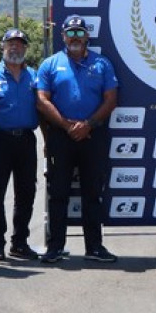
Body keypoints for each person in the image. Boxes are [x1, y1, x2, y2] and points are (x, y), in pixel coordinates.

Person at [36, 15, 120, 265]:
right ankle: (55, 247)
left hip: (93, 135)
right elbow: (41, 100)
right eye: (70, 33)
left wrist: (88, 124)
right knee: (58, 194)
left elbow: (111, 99)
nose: (75, 37)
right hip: (61, 136)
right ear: (63, 36)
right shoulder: (50, 64)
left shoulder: (102, 64)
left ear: (87, 37)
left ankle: (94, 247)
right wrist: (66, 125)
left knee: (92, 194)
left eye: (80, 33)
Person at [0, 28, 40, 261]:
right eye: (10, 43)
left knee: (26, 193)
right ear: (3, 46)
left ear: (26, 48)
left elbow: (42, 109)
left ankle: (19, 243)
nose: (15, 47)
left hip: (26, 140)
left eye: (20, 43)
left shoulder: (34, 76)